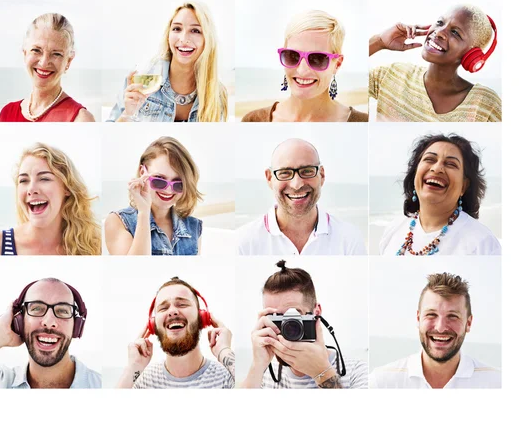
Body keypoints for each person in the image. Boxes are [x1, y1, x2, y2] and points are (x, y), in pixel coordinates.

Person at [242, 260, 367, 388]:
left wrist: (321, 372)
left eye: (294, 316)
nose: (286, 328)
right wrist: (257, 366)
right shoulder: (263, 375)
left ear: (316, 313)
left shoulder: (357, 372)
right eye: (275, 318)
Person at [369, 4, 501, 121]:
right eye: (439, 22)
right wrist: (379, 42)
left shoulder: (485, 104)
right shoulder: (393, 74)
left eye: (455, 32)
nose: (439, 32)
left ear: (472, 56)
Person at [369, 273, 501, 388]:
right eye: (431, 314)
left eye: (453, 316)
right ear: (418, 318)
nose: (440, 327)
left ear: (469, 323)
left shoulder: (497, 383)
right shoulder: (381, 382)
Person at [237, 139, 366, 255]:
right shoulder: (243, 242)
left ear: (321, 175)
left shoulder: (350, 239)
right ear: (270, 178)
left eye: (307, 171)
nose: (297, 184)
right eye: (285, 173)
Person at [380, 134, 501, 256]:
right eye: (430, 159)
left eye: (451, 164)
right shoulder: (394, 230)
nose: (437, 168)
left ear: (464, 186)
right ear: (415, 174)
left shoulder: (483, 243)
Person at [0, 278, 101, 388]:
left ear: (76, 325)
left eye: (62, 311)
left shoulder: (101, 386)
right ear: (19, 321)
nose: (49, 322)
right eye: (37, 308)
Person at [107, 1, 228, 122]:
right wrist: (127, 114)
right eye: (177, 29)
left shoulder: (217, 94)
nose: (184, 39)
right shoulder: (141, 79)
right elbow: (110, 133)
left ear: (207, 39)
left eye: (195, 31)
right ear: (168, 35)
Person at [0, 143, 101, 256]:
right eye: (24, 180)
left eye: (44, 179)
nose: (31, 189)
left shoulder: (93, 247)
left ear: (66, 188)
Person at [242, 10, 367, 122]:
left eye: (317, 59)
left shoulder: (362, 122)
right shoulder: (252, 121)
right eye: (292, 56)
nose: (302, 70)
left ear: (337, 64)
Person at [116, 277, 234, 388]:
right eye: (163, 308)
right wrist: (134, 367)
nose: (172, 311)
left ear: (202, 318)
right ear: (153, 325)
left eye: (182, 304)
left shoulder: (226, 377)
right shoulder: (142, 381)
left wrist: (224, 351)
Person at [105, 137, 203, 255]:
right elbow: (133, 270)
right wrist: (144, 212)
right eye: (159, 180)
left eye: (178, 184)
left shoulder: (194, 226)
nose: (168, 189)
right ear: (143, 172)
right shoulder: (118, 221)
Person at [0, 13, 94, 122]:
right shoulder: (6, 113)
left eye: (56, 54)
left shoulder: (81, 120)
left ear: (68, 61)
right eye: (36, 50)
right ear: (25, 54)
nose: (44, 63)